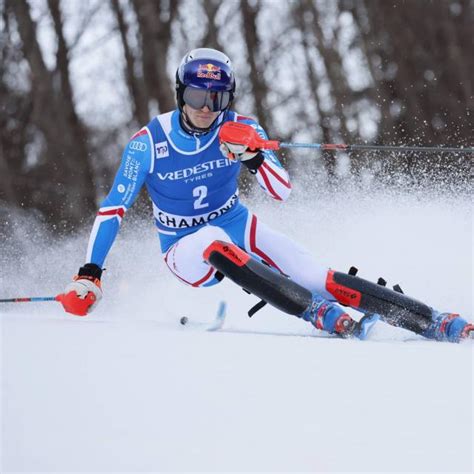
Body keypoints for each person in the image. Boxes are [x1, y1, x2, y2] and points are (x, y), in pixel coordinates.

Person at [58, 48, 472, 343]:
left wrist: (254, 157)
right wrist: (90, 272)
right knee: (209, 240)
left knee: (315, 276)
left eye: (216, 98)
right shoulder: (148, 142)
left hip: (238, 224)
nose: (206, 108)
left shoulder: (241, 127)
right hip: (183, 247)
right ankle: (316, 313)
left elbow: (282, 192)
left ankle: (433, 320)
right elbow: (113, 209)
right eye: (196, 97)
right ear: (181, 94)